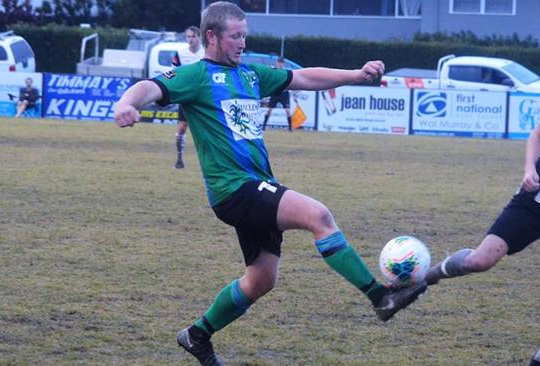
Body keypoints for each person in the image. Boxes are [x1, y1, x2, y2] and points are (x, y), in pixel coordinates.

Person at [114, 2, 427, 365]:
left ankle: (197, 335)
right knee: (318, 216)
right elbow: (148, 87)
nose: (243, 42)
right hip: (235, 189)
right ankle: (381, 298)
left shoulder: (249, 75)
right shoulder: (196, 76)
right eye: (236, 35)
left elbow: (305, 78)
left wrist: (356, 75)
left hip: (255, 185)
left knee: (261, 279)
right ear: (211, 37)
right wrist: (126, 103)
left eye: (245, 35)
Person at [424, 87, 540, 366]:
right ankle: (426, 278)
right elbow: (538, 135)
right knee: (480, 260)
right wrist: (529, 170)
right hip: (539, 199)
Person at [172, 25, 204, 169]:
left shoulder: (206, 52)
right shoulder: (180, 53)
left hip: (203, 97)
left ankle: (210, 161)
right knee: (182, 128)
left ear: (199, 37)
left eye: (193, 36)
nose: (190, 39)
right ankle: (179, 159)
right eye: (188, 37)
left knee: (205, 130)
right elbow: (174, 73)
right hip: (186, 97)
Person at [261, 56, 296, 132]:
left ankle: (290, 128)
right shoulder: (274, 71)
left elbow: (291, 82)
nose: (280, 64)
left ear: (283, 64)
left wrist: (293, 93)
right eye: (279, 62)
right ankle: (263, 126)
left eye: (282, 63)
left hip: (284, 93)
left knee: (287, 111)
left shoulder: (286, 71)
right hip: (275, 92)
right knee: (269, 110)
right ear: (277, 63)